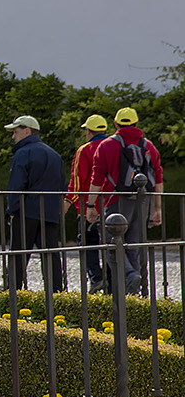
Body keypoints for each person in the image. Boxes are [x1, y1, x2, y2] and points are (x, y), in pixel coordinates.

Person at [89, 107, 165, 296]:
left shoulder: (106, 145)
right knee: (135, 246)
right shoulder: (148, 146)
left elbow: (96, 178)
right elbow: (158, 177)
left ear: (115, 124)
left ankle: (129, 276)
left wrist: (91, 205)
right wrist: (157, 209)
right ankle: (137, 294)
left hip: (116, 202)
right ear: (137, 124)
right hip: (142, 202)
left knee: (111, 245)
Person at [4, 115, 65, 291]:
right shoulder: (54, 155)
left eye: (15, 132)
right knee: (51, 255)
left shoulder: (22, 153)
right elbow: (61, 185)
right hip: (50, 212)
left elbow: (16, 186)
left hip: (26, 212)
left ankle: (12, 293)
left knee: (18, 256)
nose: (13, 137)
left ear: (27, 131)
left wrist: (12, 210)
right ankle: (56, 294)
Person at [63, 114, 110, 293]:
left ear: (89, 131)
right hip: (112, 206)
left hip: (89, 207)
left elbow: (76, 180)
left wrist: (68, 200)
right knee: (109, 243)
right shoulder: (113, 146)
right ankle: (111, 281)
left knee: (87, 243)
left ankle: (96, 277)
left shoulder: (85, 150)